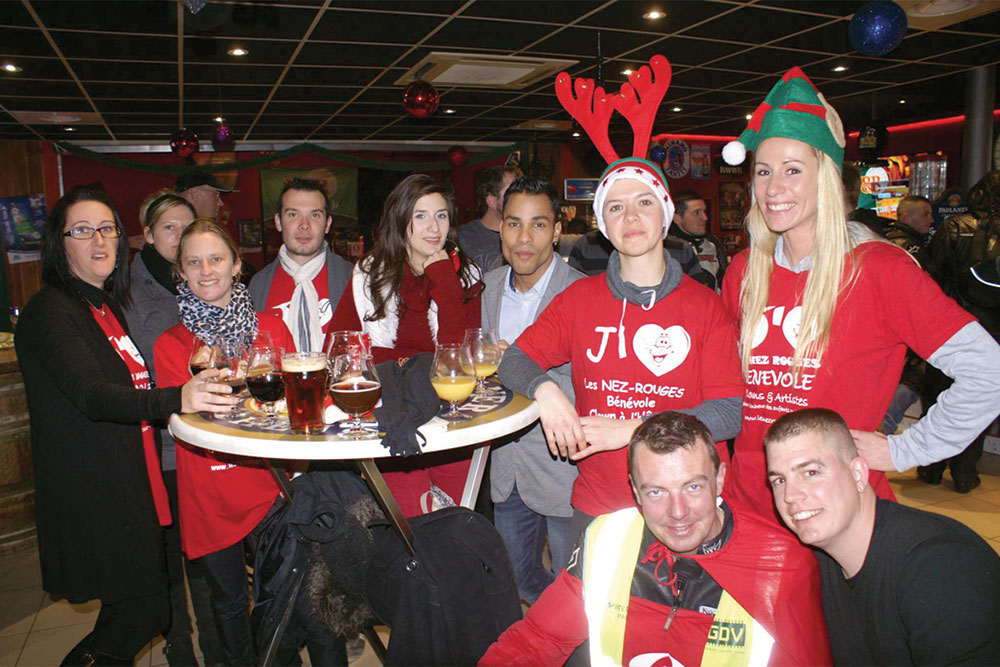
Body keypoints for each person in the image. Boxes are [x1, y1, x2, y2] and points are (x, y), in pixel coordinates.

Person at [718, 66, 1000, 516]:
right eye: (764, 171)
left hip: (838, 515)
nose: (774, 188)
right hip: (747, 504)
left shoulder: (879, 269)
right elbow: (728, 388)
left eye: (793, 170)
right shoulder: (745, 270)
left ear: (825, 177)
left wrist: (904, 451)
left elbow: (988, 371)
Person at [15, 186, 236, 666]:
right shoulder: (50, 311)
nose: (98, 240)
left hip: (130, 482)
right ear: (59, 242)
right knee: (142, 610)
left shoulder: (101, 306)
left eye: (107, 229)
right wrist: (178, 397)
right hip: (94, 491)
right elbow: (92, 396)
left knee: (144, 609)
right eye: (82, 230)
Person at [498, 155, 744, 541]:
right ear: (604, 226)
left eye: (644, 202)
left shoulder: (706, 307)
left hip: (688, 509)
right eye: (616, 207)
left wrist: (632, 430)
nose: (630, 216)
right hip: (600, 506)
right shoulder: (579, 299)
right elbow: (514, 360)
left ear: (665, 216)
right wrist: (547, 393)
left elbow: (729, 414)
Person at [480, 412, 831, 666]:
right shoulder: (607, 539)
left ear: (720, 479)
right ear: (634, 490)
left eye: (693, 487)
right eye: (656, 492)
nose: (678, 512)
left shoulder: (780, 565)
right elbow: (538, 640)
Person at [152, 220, 319, 665]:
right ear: (180, 273)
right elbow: (185, 421)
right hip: (209, 489)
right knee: (226, 604)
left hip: (270, 486)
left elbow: (290, 402)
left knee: (278, 597)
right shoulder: (171, 346)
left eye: (216, 259)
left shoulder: (272, 328)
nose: (206, 270)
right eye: (194, 262)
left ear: (237, 265)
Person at [764, 407, 1000, 665]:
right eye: (779, 480)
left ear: (858, 474)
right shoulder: (816, 563)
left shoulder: (941, 566)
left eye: (811, 472)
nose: (790, 496)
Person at [330, 173, 483, 516]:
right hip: (393, 413)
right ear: (401, 222)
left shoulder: (465, 276)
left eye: (441, 215)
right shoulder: (370, 275)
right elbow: (341, 349)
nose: (434, 227)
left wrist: (444, 278)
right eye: (420, 215)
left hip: (450, 414)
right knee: (410, 523)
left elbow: (455, 354)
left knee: (453, 521)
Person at [122, 191, 221, 666]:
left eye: (187, 225)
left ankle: (217, 648)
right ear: (148, 235)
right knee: (169, 558)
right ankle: (181, 648)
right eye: (168, 228)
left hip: (200, 445)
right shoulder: (131, 291)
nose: (180, 235)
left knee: (202, 559)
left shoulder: (203, 283)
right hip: (158, 446)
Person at [482, 177, 584, 603]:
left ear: (558, 231)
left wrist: (514, 366)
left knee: (576, 593)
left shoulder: (584, 292)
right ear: (500, 227)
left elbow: (593, 381)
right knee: (519, 581)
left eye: (538, 225)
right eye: (513, 224)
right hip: (506, 468)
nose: (524, 239)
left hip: (567, 469)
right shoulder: (483, 289)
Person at [249, 177, 352, 353]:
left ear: (327, 224)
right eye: (293, 215)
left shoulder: (353, 280)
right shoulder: (258, 286)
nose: (304, 225)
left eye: (315, 215)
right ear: (278, 222)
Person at [457, 165, 522, 273]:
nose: (521, 197)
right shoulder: (464, 237)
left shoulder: (527, 235)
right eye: (513, 192)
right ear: (492, 201)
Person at [667, 189, 728, 290]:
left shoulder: (712, 243)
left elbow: (725, 281)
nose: (704, 218)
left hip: (712, 303)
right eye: (696, 213)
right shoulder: (667, 248)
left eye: (704, 211)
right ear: (677, 218)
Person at [885, 194, 933, 259]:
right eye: (925, 215)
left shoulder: (890, 238)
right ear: (906, 218)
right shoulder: (910, 246)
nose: (931, 220)